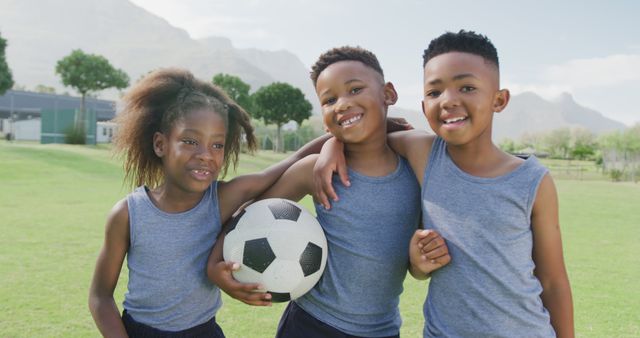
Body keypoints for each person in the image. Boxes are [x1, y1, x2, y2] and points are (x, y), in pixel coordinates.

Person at [315, 30, 574, 337]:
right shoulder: (424, 153)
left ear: (499, 100)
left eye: (467, 87)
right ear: (424, 107)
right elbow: (363, 132)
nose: (449, 101)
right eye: (435, 93)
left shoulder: (533, 181)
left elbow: (554, 281)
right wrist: (332, 144)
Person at [207, 46, 451, 338]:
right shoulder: (315, 170)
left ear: (388, 93)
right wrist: (215, 263)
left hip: (382, 330)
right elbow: (248, 216)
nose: (343, 104)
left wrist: (420, 263)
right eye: (330, 99)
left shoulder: (416, 173)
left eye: (355, 89)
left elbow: (417, 270)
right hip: (310, 325)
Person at [88, 68, 330, 337]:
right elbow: (100, 297)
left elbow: (292, 163)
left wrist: (344, 139)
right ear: (160, 144)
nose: (205, 155)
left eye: (217, 145)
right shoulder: (128, 214)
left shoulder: (223, 199)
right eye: (190, 141)